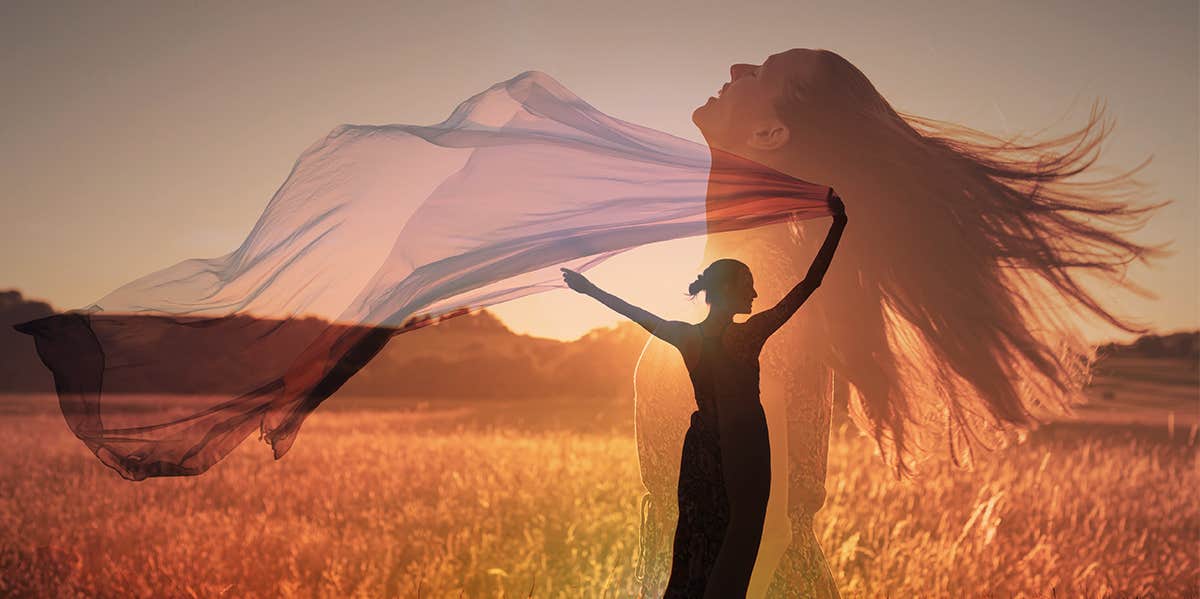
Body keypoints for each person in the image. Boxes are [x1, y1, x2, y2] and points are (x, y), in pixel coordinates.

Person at [632, 48, 1171, 598]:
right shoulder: (733, 259)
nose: (736, 69)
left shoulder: (757, 278)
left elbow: (758, 521)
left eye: (762, 73)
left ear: (770, 134)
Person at [561, 192, 846, 598]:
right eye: (747, 286)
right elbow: (810, 284)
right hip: (744, 445)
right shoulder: (748, 337)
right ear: (728, 291)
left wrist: (590, 289)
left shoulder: (688, 337)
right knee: (741, 535)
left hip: (702, 445)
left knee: (697, 535)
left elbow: (635, 313)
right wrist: (839, 225)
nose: (755, 294)